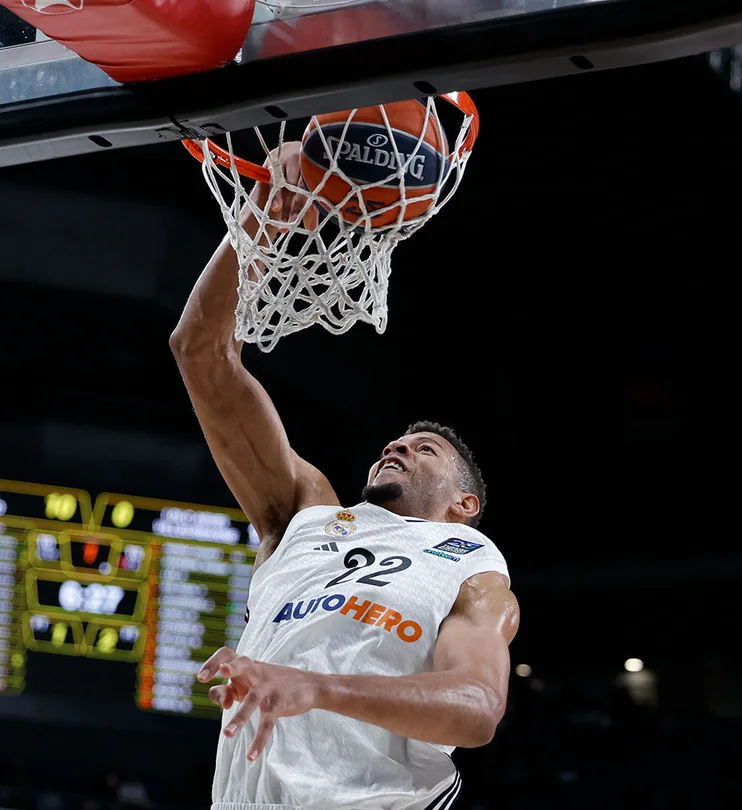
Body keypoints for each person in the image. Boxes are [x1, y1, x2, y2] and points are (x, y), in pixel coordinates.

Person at [170, 141, 521, 810]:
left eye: (425, 450)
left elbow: (476, 708)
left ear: (466, 504)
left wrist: (317, 688)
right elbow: (200, 353)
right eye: (398, 439)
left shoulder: (474, 573)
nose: (399, 444)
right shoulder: (305, 514)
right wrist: (260, 221)